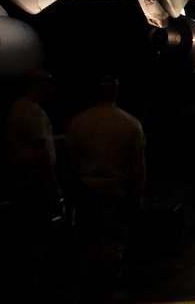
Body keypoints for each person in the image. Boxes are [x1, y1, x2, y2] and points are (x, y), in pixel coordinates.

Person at [65, 74, 146, 303]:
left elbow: (70, 162)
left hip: (86, 190)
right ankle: (108, 290)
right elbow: (138, 166)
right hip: (116, 191)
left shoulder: (78, 122)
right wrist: (138, 196)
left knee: (87, 243)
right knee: (112, 244)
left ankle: (87, 290)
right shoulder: (130, 123)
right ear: (116, 92)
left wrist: (70, 193)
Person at [4, 68, 64, 298]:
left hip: (21, 179)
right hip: (34, 182)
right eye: (47, 84)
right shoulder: (32, 112)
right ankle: (33, 281)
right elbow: (41, 151)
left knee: (26, 231)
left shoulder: (16, 109)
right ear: (35, 85)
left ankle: (25, 279)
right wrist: (53, 183)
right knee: (38, 232)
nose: (50, 89)